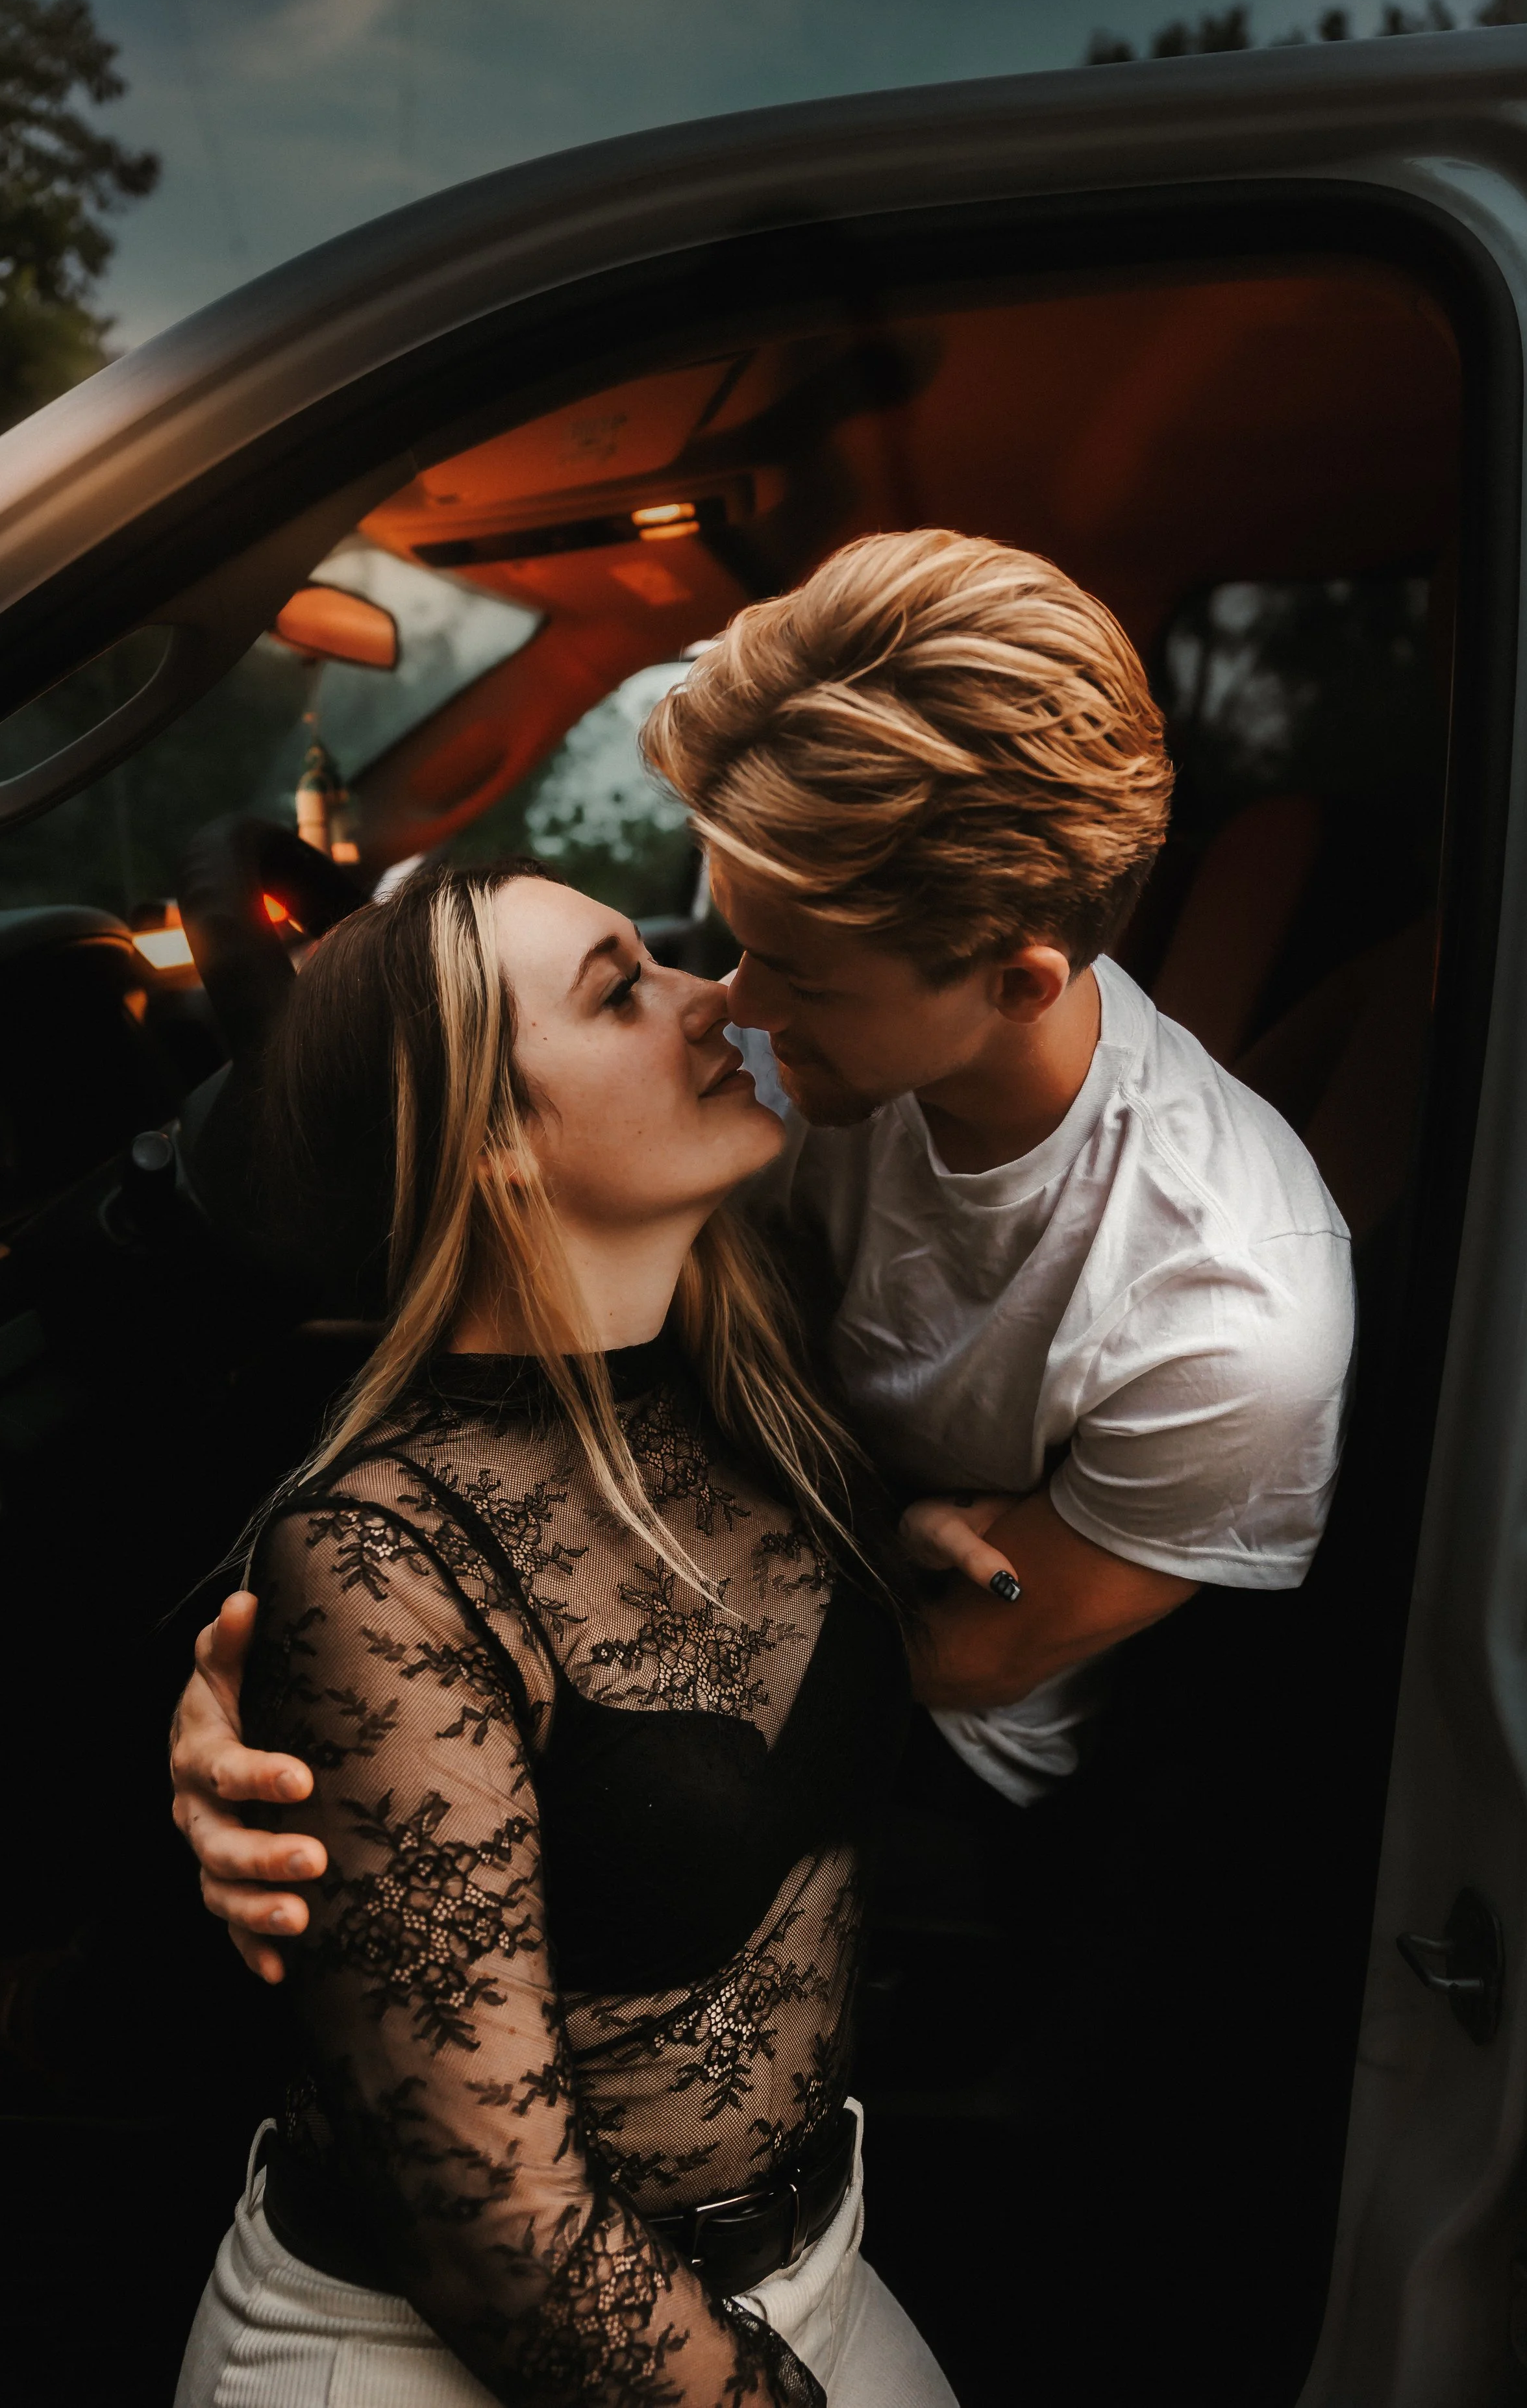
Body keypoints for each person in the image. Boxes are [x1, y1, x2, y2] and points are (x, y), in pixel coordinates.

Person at [173, 530, 1354, 1962]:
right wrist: (292, 1684)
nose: (727, 1003)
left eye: (789, 972)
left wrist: (417, 1726)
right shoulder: (799, 1054)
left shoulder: (1227, 1314)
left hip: (915, 1785)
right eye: (732, 937)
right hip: (729, 1546)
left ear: (1015, 978)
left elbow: (963, 1657)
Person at [171, 855, 956, 2408]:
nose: (710, 991)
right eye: (622, 987)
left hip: (807, 2269)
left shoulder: (751, 1382)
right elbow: (500, 2237)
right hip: (459, 2350)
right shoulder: (380, 1557)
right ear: (496, 1147)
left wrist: (909, 1534)